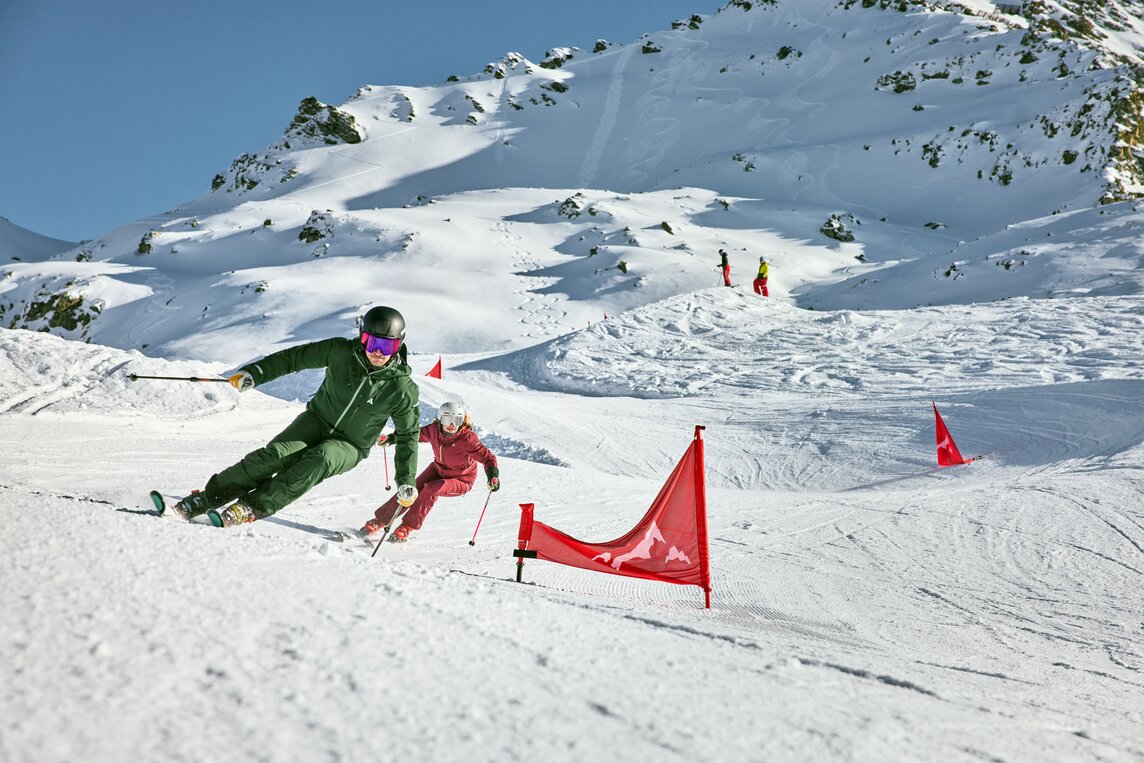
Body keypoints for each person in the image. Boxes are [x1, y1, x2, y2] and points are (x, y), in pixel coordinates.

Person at [171, 305, 421, 527]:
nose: (378, 352)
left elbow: (408, 434)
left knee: (319, 460)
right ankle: (208, 498)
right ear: (361, 337)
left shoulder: (401, 388)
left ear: (398, 345)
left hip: (351, 444)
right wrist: (256, 373)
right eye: (372, 342)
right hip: (316, 420)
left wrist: (406, 480)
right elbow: (295, 358)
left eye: (387, 346)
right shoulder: (339, 351)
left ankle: (252, 506)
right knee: (274, 455)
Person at [361, 400, 500, 543]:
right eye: (448, 419)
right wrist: (392, 438)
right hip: (438, 468)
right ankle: (380, 520)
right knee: (410, 488)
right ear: (440, 419)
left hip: (461, 479)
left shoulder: (467, 439)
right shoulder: (433, 430)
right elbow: (412, 435)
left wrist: (493, 476)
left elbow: (488, 458)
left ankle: (407, 527)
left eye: (457, 420)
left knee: (431, 489)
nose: (452, 425)